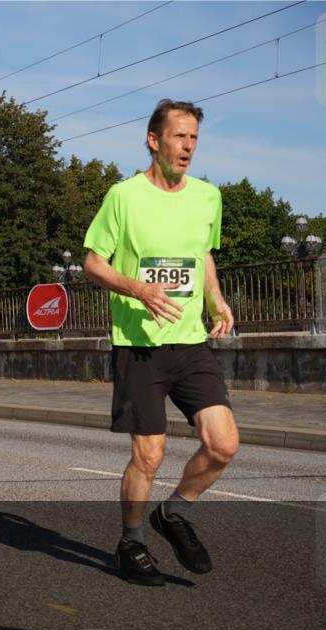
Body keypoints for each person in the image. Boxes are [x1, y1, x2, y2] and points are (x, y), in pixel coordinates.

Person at [82, 99, 239, 587]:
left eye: (194, 137)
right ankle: (131, 542)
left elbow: (203, 256)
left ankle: (172, 514)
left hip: (190, 343)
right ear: (154, 140)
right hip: (139, 346)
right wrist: (140, 289)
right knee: (148, 456)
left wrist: (216, 300)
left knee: (223, 443)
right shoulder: (123, 197)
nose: (188, 146)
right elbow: (93, 263)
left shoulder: (208, 197)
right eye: (179, 136)